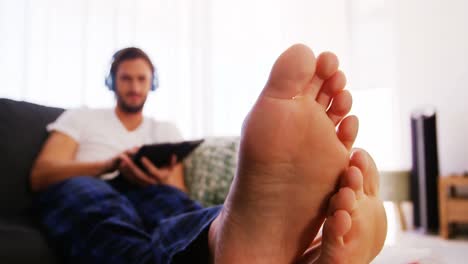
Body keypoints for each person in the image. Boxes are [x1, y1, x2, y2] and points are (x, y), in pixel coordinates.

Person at [31, 44, 387, 264]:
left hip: (148, 191)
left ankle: (221, 236)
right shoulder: (81, 118)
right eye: (127, 79)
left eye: (142, 79)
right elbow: (42, 174)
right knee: (101, 211)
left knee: (179, 209)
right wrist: (109, 164)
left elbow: (179, 190)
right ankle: (231, 250)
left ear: (151, 84)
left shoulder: (164, 130)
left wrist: (158, 178)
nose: (135, 87)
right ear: (113, 82)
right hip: (90, 185)